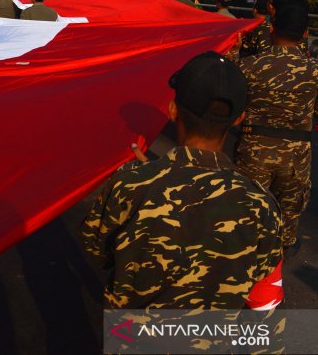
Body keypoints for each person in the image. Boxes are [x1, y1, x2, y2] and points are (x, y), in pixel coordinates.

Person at [81, 51, 282, 311]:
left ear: (173, 110)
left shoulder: (129, 184)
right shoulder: (262, 204)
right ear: (239, 119)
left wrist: (147, 179)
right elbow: (265, 300)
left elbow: (97, 248)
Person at [232, 4, 318, 257]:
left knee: (245, 219)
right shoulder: (317, 71)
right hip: (296, 161)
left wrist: (234, 50)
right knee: (285, 225)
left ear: (272, 29)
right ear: (305, 34)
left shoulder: (248, 66)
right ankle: (273, 279)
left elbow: (230, 108)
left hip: (252, 154)